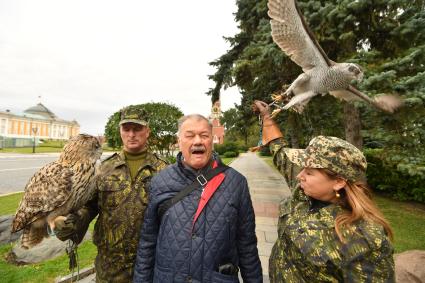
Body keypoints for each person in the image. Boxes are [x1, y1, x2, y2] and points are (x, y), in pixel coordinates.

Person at [252, 100, 395, 282]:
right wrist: (266, 117)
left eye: (309, 172)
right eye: (303, 168)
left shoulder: (366, 239)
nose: (299, 176)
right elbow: (280, 151)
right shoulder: (304, 192)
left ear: (338, 182)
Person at [133, 114, 263, 283]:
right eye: (189, 135)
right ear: (179, 141)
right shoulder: (160, 181)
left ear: (211, 141)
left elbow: (247, 246)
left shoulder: (237, 183)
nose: (197, 141)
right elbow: (148, 241)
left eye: (204, 135)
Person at [54, 105, 168, 282]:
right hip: (110, 267)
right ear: (120, 131)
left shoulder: (165, 170)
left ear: (148, 131)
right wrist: (72, 223)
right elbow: (89, 206)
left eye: (137, 129)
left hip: (151, 266)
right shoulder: (104, 168)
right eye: (126, 128)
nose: (131, 134)